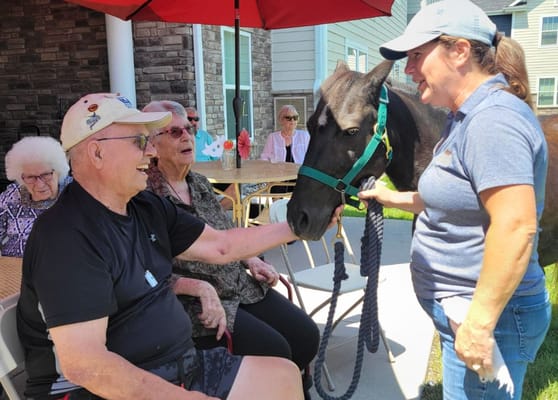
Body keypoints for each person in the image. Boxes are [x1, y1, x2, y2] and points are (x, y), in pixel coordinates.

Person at [17, 93, 341, 400]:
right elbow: (86, 366)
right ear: (97, 152)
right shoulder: (66, 237)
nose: (151, 152)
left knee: (282, 375)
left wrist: (298, 226)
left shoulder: (143, 206)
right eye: (139, 141)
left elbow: (222, 246)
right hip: (102, 389)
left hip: (177, 366)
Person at [359, 2, 550, 399]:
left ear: (460, 51)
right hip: (464, 314)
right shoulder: (463, 117)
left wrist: (479, 325)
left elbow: (516, 226)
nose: (407, 69)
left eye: (416, 55)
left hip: (486, 319)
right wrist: (389, 196)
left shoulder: (493, 121)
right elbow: (453, 199)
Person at [143, 100, 319, 398]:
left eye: (188, 128)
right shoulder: (146, 196)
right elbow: (145, 271)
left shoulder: (197, 182)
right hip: (197, 302)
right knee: (275, 350)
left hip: (237, 282)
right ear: (151, 144)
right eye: (174, 132)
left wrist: (252, 260)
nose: (187, 136)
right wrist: (196, 286)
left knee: (306, 336)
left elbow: (224, 230)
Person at [0, 136, 71, 257]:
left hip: (61, 270)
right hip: (12, 268)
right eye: (30, 177)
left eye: (46, 175)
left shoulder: (75, 194)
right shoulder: (11, 195)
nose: (39, 184)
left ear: (58, 171)